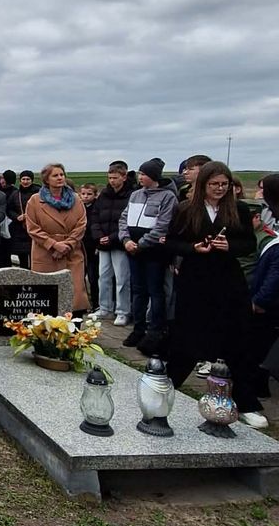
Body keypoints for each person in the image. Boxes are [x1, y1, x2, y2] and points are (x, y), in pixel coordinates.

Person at [164, 161, 265, 426]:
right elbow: (171, 241)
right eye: (214, 184)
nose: (219, 189)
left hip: (227, 281)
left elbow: (248, 244)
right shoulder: (187, 210)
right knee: (186, 338)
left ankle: (246, 402)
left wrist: (228, 245)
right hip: (195, 280)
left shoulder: (239, 210)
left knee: (237, 340)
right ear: (203, 185)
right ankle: (165, 389)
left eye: (224, 184)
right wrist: (193, 248)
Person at [119, 158, 178, 349]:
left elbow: (163, 226)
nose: (140, 177)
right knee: (138, 291)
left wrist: (141, 244)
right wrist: (126, 240)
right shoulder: (135, 195)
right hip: (133, 252)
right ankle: (138, 329)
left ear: (153, 176)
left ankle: (154, 331)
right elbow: (124, 219)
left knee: (155, 291)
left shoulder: (167, 197)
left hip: (153, 253)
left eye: (143, 174)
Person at [24, 163, 88, 313]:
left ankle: (73, 333)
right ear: (46, 179)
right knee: (47, 297)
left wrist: (68, 244)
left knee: (75, 294)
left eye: (62, 175)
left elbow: (81, 224)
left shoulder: (76, 199)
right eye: (55, 175)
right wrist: (53, 244)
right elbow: (32, 228)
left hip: (71, 253)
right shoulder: (35, 201)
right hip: (46, 253)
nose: (60, 178)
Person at [247, 201, 279, 404]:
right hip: (242, 301)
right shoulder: (242, 238)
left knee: (260, 350)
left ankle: (258, 389)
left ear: (257, 218)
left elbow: (276, 276)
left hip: (264, 306)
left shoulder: (276, 244)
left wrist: (259, 301)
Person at [89, 161, 131, 326]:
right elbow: (95, 216)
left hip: (119, 243)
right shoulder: (104, 195)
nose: (112, 181)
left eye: (115, 177)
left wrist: (113, 237)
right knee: (103, 277)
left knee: (122, 279)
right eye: (110, 177)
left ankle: (123, 311)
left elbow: (128, 221)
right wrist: (98, 235)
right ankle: (105, 307)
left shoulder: (130, 195)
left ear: (124, 177)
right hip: (102, 243)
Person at [5, 170, 38, 268]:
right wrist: (16, 217)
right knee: (22, 258)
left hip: (35, 228)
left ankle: (35, 280)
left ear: (32, 180)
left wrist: (31, 216)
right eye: (23, 179)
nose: (25, 181)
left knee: (35, 257)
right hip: (20, 230)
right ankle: (24, 280)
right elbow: (9, 209)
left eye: (28, 179)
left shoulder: (38, 193)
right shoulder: (15, 194)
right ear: (20, 180)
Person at [78, 183, 100, 310]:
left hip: (93, 247)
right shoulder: (79, 207)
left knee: (93, 277)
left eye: (89, 194)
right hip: (81, 246)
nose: (85, 197)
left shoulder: (97, 208)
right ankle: (83, 303)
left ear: (95, 195)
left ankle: (96, 303)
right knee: (80, 277)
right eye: (83, 194)